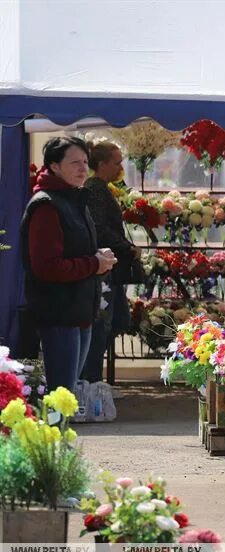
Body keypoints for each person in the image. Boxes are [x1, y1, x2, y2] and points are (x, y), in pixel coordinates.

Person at [21, 137, 117, 392]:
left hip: (79, 312)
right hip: (59, 314)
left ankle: (59, 432)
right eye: (74, 162)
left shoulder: (74, 200)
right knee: (60, 397)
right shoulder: (46, 206)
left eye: (85, 162)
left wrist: (98, 256)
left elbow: (72, 250)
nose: (83, 168)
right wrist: (93, 264)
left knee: (66, 397)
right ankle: (54, 432)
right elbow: (47, 266)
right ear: (54, 166)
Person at [81, 141, 140, 385]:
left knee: (116, 321)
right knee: (102, 325)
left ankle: (93, 378)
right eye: (116, 162)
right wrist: (126, 246)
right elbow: (99, 228)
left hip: (110, 266)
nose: (120, 168)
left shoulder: (102, 187)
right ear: (102, 164)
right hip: (103, 268)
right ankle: (91, 380)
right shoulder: (95, 189)